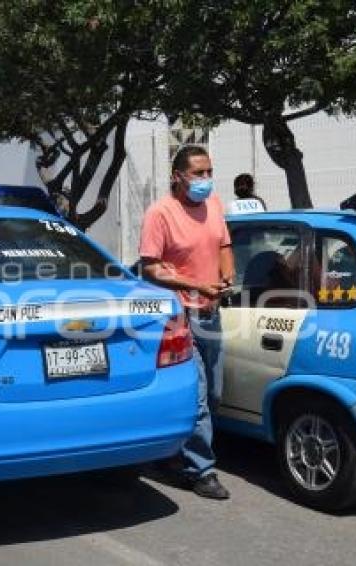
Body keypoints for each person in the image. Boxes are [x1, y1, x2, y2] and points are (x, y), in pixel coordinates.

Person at [139, 145, 234, 500]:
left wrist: (228, 273)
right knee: (196, 399)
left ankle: (169, 450)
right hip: (178, 316)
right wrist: (195, 284)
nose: (206, 180)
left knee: (214, 393)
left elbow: (223, 243)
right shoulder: (160, 213)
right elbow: (149, 267)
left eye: (209, 172)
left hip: (211, 313)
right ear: (178, 176)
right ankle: (201, 471)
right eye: (198, 173)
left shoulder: (214, 204)